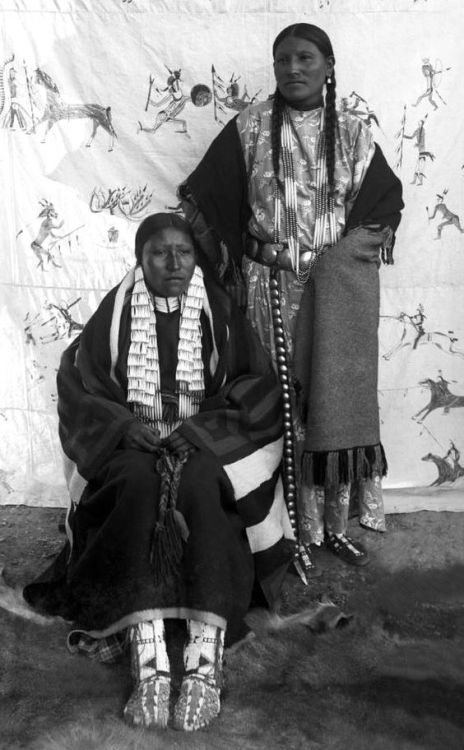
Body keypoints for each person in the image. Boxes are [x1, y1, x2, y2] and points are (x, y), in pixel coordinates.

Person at [23, 213, 293, 732]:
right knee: (141, 487)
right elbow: (78, 380)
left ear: (196, 257)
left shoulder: (220, 313)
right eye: (159, 254)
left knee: (197, 486)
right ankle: (147, 653)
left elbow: (258, 386)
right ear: (139, 259)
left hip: (202, 438)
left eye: (184, 253)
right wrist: (123, 426)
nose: (173, 264)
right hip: (136, 442)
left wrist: (202, 431)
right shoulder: (116, 312)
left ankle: (203, 654)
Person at [179, 23, 404, 574]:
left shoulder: (353, 133)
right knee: (273, 403)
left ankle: (330, 526)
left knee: (328, 401)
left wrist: (338, 263)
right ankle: (278, 530)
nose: (293, 69)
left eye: (305, 58)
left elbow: (383, 205)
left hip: (336, 297)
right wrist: (230, 259)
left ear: (329, 65)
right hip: (267, 291)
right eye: (282, 60)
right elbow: (203, 197)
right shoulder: (250, 128)